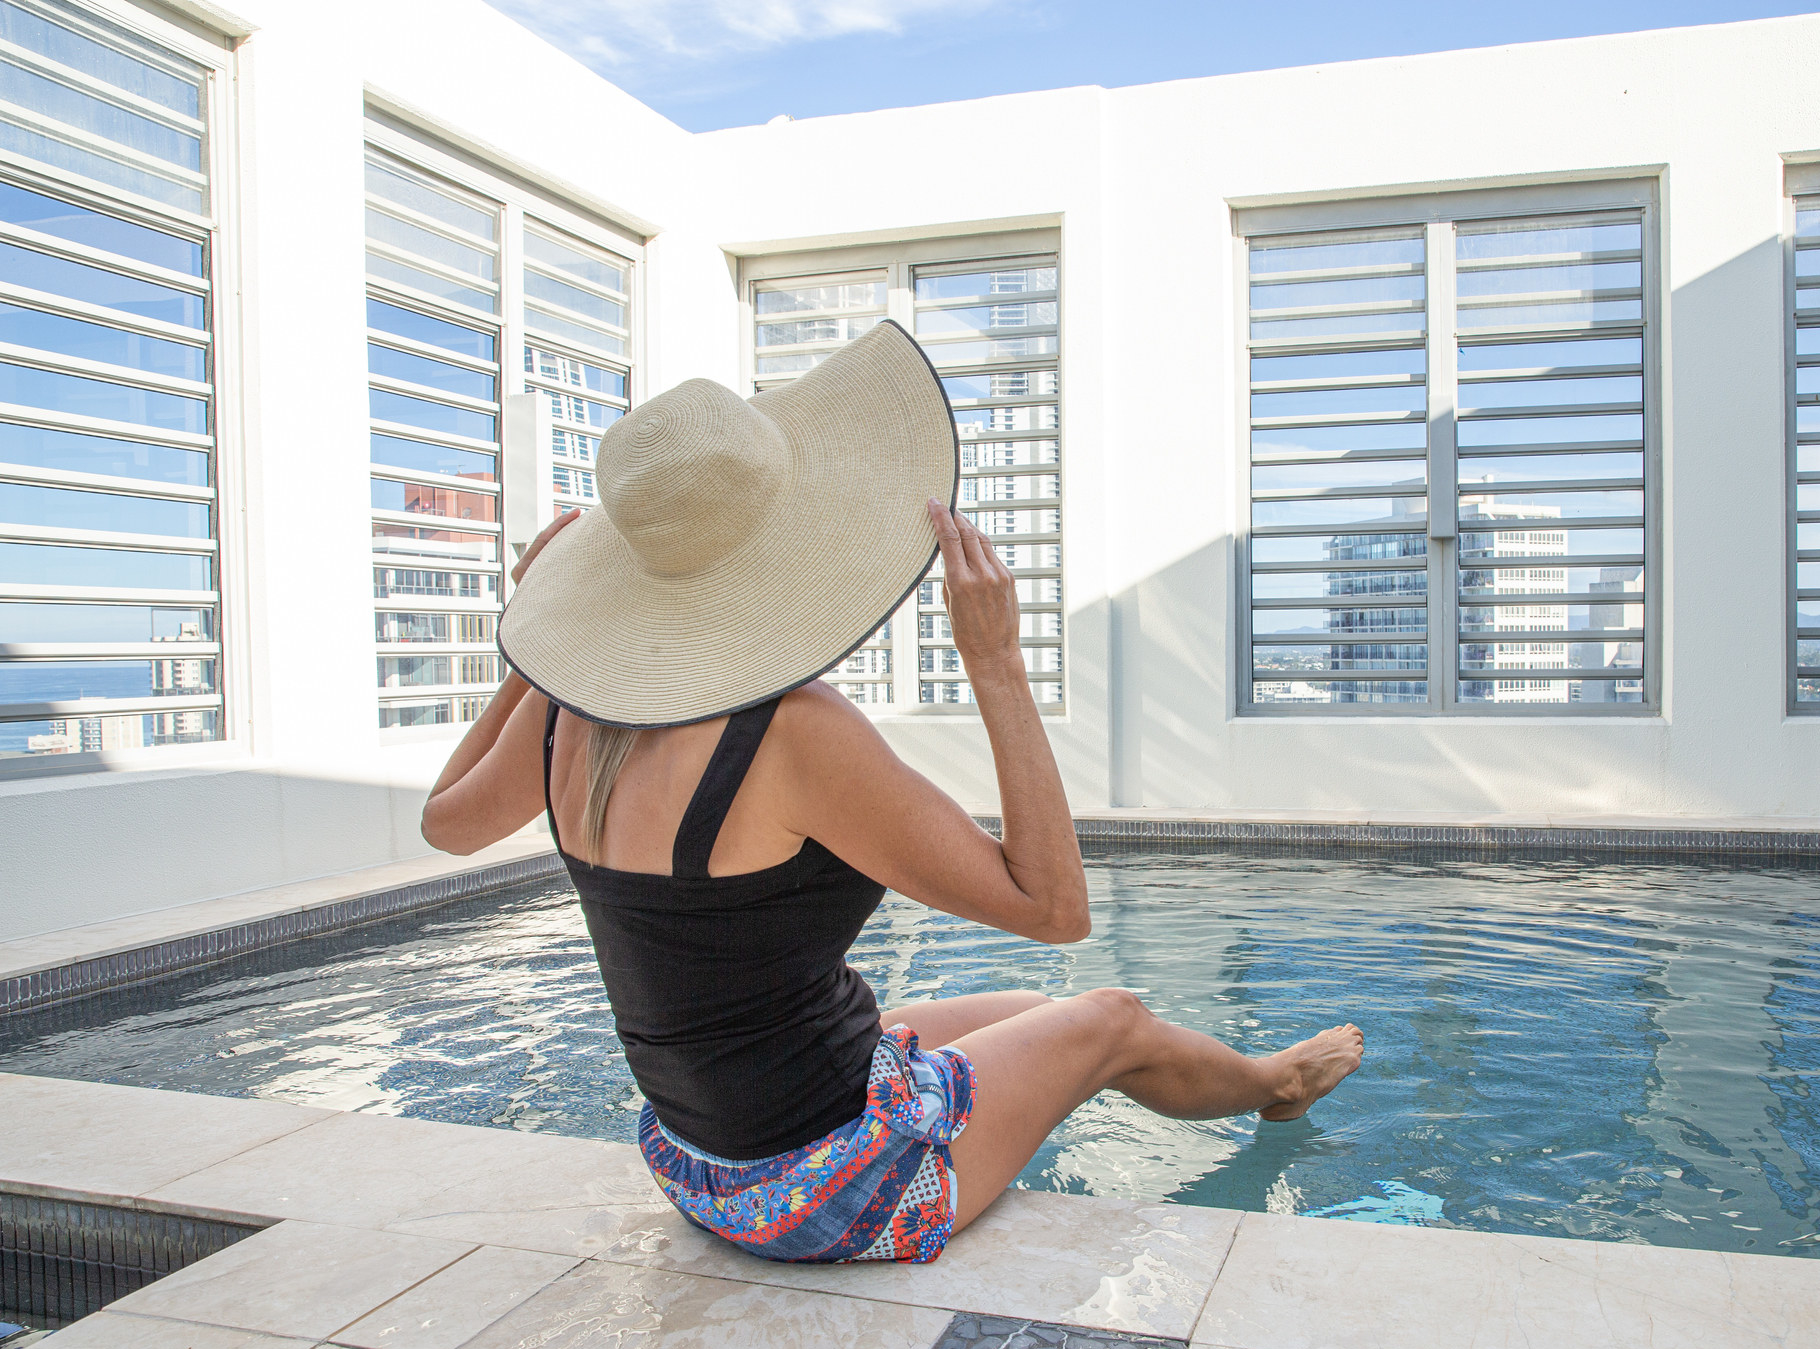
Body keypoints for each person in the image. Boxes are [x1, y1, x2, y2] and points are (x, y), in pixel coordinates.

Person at [421, 320, 1362, 1265]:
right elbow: (1054, 906)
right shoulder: (790, 733)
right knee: (1107, 1017)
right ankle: (1274, 1089)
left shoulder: (565, 716)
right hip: (820, 1193)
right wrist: (995, 661)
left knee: (1019, 1009)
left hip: (696, 1164)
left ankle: (1259, 1076)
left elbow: (447, 823)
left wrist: (539, 653)